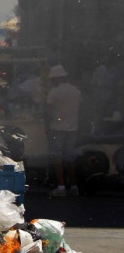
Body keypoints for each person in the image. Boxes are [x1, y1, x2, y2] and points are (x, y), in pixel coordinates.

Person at [45, 65, 82, 197]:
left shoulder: (54, 92)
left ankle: (61, 187)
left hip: (57, 128)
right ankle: (74, 186)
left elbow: (48, 112)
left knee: (57, 157)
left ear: (56, 79)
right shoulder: (76, 91)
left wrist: (47, 126)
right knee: (71, 157)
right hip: (72, 129)